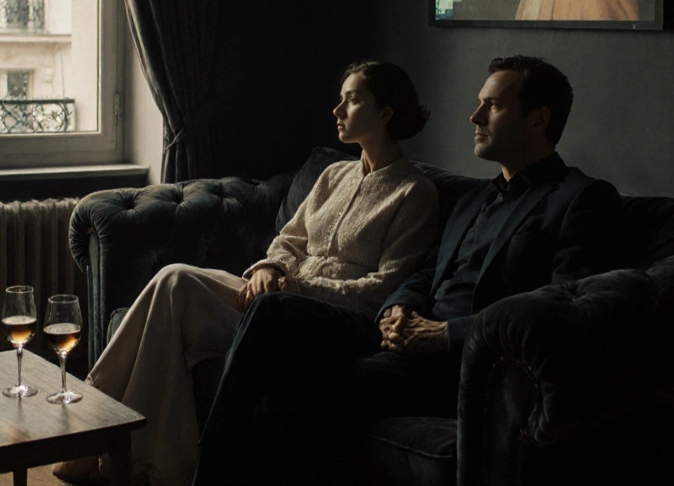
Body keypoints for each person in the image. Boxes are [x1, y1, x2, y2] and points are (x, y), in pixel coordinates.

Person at [193, 55, 625, 485]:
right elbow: (423, 273)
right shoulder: (476, 199)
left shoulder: (580, 199)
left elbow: (566, 306)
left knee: (277, 328)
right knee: (279, 387)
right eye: (479, 103)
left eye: (492, 106)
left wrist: (447, 334)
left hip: (466, 365)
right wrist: (397, 311)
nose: (474, 116)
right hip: (400, 341)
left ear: (538, 119)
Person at [52, 61, 439, 486]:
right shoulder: (334, 174)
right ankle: (115, 445)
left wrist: (293, 284)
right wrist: (271, 267)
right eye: (341, 98)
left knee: (173, 306)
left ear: (385, 114)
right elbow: (289, 238)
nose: (337, 109)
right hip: (273, 293)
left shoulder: (414, 192)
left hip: (320, 317)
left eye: (352, 100)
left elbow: (384, 286)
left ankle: (114, 452)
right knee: (174, 277)